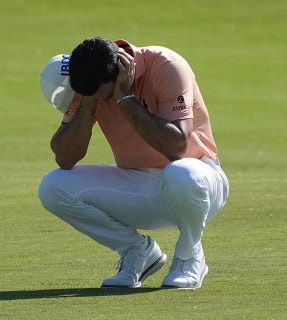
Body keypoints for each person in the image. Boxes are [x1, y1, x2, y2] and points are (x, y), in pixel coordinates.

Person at [38, 37, 229, 289]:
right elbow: (65, 158)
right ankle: (138, 252)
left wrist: (125, 98)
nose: (99, 100)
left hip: (198, 182)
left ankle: (189, 256)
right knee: (53, 186)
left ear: (118, 71)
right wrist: (88, 102)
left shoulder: (166, 65)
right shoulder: (88, 82)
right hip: (138, 185)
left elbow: (177, 147)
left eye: (101, 93)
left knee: (181, 172)